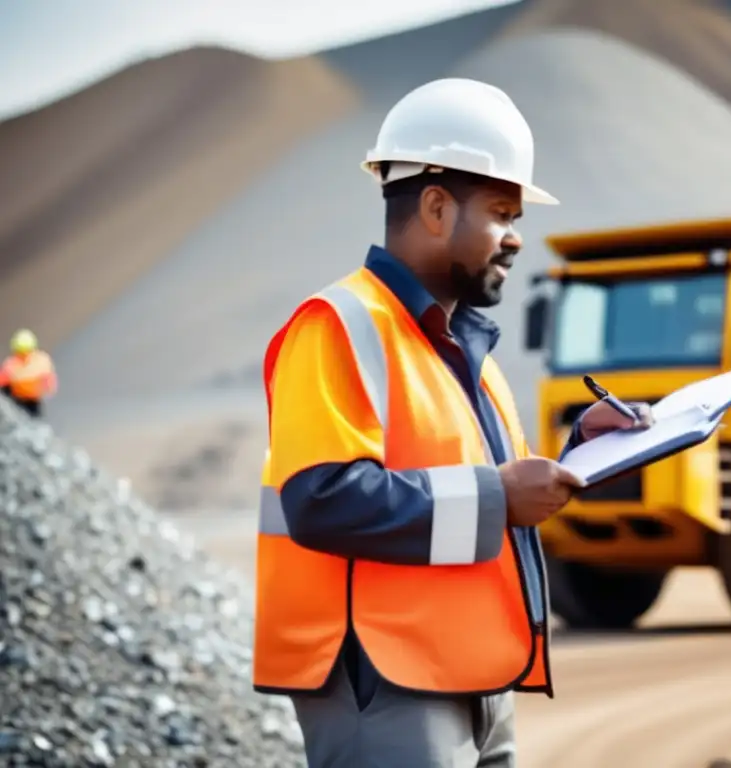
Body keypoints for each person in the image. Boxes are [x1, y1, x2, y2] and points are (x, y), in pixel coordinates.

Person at [252, 78, 653, 768]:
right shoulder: (338, 326)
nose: (518, 238)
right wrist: (501, 494)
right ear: (436, 207)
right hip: (382, 682)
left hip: (471, 673)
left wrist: (577, 449)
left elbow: (487, 489)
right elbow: (320, 500)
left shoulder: (466, 348)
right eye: (502, 212)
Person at [0, 329, 58, 418]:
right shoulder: (12, 364)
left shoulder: (12, 364)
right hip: (19, 399)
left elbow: (48, 379)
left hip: (28, 400)